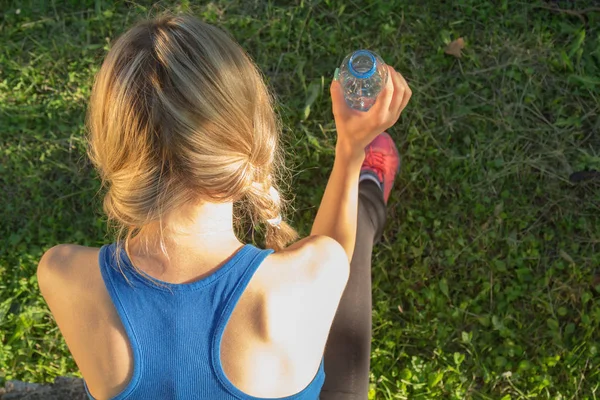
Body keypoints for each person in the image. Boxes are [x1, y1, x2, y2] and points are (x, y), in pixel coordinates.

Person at [37, 14, 411, 400]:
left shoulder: (62, 275)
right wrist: (351, 147)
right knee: (354, 260)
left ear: (109, 149)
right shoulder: (307, 275)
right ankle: (365, 182)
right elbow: (330, 267)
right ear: (252, 138)